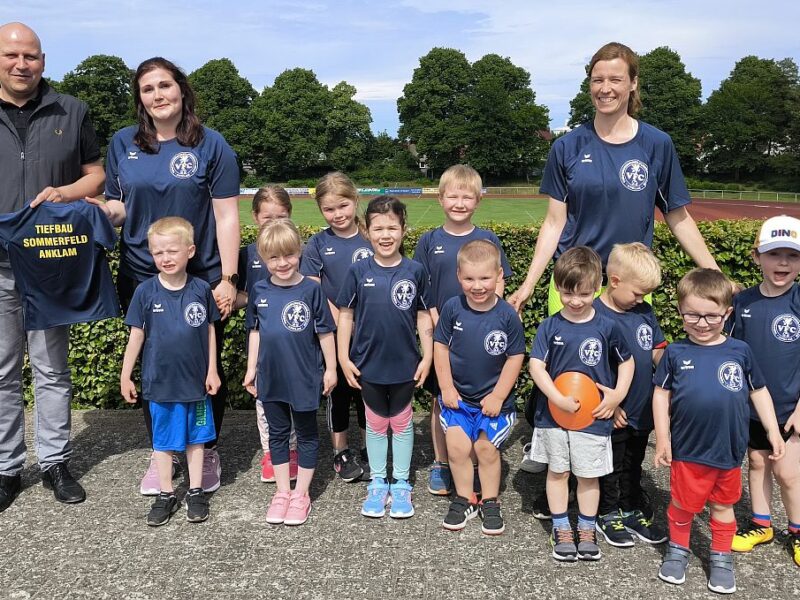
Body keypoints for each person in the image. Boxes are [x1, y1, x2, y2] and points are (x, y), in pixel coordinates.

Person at [100, 57, 240, 495]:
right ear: (139, 98)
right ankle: (164, 453)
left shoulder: (211, 144)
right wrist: (97, 215)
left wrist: (228, 279)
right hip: (142, 275)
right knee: (156, 364)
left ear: (182, 90)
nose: (157, 95)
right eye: (147, 89)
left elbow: (227, 216)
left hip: (202, 276)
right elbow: (120, 207)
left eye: (165, 85)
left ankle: (207, 449)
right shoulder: (123, 143)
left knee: (201, 362)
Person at [508, 41, 719, 315]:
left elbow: (677, 216)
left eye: (615, 79)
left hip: (632, 285)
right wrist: (528, 284)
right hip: (573, 285)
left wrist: (716, 274)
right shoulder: (566, 146)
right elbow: (553, 222)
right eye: (598, 80)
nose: (605, 88)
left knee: (633, 360)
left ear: (633, 83)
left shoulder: (657, 144)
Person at [0, 22, 105, 510]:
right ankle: (7, 467)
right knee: (1, 371)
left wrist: (65, 193)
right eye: (11, 55)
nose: (22, 65)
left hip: (49, 263)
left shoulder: (72, 109)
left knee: (50, 369)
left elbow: (98, 175)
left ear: (43, 60)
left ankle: (56, 461)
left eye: (32, 56)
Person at [653, 268, 786, 594]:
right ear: (681, 311)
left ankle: (721, 556)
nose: (701, 323)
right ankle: (678, 550)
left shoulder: (740, 351)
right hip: (687, 450)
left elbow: (759, 392)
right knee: (682, 505)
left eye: (711, 316)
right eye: (692, 315)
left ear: (727, 313)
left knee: (723, 507)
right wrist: (662, 438)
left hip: (727, 451)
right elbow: (660, 395)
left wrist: (773, 430)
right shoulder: (675, 353)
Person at [528, 247, 634, 562]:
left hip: (594, 419)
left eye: (584, 294)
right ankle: (561, 527)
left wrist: (616, 396)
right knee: (558, 471)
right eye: (567, 293)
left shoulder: (607, 327)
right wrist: (556, 398)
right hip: (553, 418)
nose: (575, 300)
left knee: (589, 476)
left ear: (598, 288)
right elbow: (536, 366)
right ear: (558, 288)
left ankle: (586, 529)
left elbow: (627, 364)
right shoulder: (550, 327)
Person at [412, 164, 512, 496]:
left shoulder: (488, 238)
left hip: (480, 340)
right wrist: (438, 320)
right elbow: (422, 289)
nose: (459, 202)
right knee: (444, 402)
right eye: (452, 196)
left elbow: (499, 285)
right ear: (440, 198)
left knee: (480, 398)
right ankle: (443, 464)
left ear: (478, 200)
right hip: (444, 335)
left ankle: (474, 464)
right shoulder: (429, 241)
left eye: (467, 196)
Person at [336, 196, 433, 519]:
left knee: (403, 423)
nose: (386, 234)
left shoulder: (415, 270)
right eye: (378, 228)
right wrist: (343, 358)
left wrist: (427, 356)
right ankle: (378, 482)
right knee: (376, 424)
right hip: (368, 364)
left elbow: (423, 317)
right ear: (367, 230)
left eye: (392, 227)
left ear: (404, 229)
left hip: (405, 363)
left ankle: (401, 483)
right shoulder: (357, 271)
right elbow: (346, 316)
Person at [120, 217, 221, 526]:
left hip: (196, 384)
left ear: (190, 251)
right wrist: (126, 375)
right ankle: (166, 494)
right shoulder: (145, 292)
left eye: (172, 251)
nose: (165, 258)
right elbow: (136, 335)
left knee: (195, 440)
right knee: (163, 442)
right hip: (159, 383)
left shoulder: (201, 289)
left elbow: (209, 331)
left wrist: (213, 370)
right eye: (158, 252)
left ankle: (194, 491)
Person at [243, 219, 336, 526]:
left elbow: (324, 332)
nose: (282, 263)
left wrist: (331, 368)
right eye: (273, 257)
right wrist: (251, 368)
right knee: (278, 436)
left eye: (289, 255)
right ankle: (282, 492)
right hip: (271, 376)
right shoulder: (259, 290)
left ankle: (302, 494)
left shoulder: (311, 290)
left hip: (305, 376)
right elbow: (255, 331)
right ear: (263, 257)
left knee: (307, 435)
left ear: (299, 252)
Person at [435, 240, 524, 535]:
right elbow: (440, 348)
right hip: (458, 399)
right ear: (459, 276)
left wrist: (498, 395)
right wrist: (446, 387)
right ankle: (464, 498)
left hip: (494, 403)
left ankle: (489, 500)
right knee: (458, 448)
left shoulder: (507, 315)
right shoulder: (452, 308)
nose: (477, 286)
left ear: (499, 274)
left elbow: (515, 357)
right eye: (469, 278)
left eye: (485, 278)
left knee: (485, 449)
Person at [726, 216, 800, 566]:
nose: (782, 263)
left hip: (791, 407)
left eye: (792, 255)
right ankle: (761, 524)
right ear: (757, 257)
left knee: (787, 471)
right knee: (756, 462)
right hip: (753, 406)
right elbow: (731, 351)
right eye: (774, 254)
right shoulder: (744, 302)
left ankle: (797, 530)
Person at [593, 243, 668, 547]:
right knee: (610, 464)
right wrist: (609, 404)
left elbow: (656, 350)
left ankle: (631, 507)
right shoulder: (595, 315)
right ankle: (607, 512)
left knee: (634, 462)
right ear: (614, 281)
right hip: (613, 412)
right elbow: (589, 370)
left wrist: (671, 370)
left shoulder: (644, 312)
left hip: (642, 408)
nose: (641, 300)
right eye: (637, 293)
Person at [301, 172, 372, 482]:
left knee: (368, 394)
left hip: (371, 334)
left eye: (343, 206)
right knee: (339, 394)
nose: (338, 214)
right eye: (329, 209)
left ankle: (372, 447)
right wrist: (345, 320)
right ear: (320, 210)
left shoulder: (372, 235)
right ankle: (341, 451)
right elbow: (315, 290)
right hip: (334, 335)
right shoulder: (317, 243)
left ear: (354, 200)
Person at [234, 187, 298, 483]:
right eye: (267, 217)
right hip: (261, 337)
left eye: (281, 217)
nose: (274, 222)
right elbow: (237, 294)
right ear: (255, 217)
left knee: (295, 397)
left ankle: (294, 450)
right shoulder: (245, 254)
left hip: (295, 340)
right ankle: (272, 452)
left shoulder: (298, 252)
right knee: (264, 399)